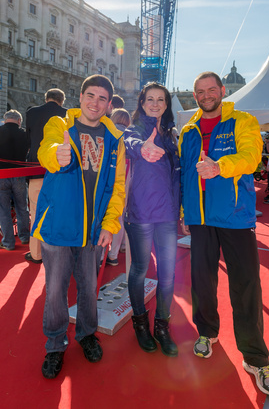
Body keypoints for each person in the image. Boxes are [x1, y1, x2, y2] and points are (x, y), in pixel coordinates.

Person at [178, 71, 269, 396]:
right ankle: (207, 332)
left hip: (235, 217)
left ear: (221, 90)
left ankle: (256, 358)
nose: (206, 95)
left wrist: (220, 166)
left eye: (211, 89)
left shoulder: (243, 121)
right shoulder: (188, 131)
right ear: (195, 96)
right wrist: (184, 212)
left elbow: (252, 158)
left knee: (246, 285)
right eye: (200, 91)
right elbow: (184, 176)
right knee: (202, 281)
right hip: (200, 220)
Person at [31, 75, 125, 379]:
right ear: (80, 96)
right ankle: (55, 345)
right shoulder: (60, 125)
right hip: (59, 225)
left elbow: (118, 187)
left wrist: (110, 225)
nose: (95, 102)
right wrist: (56, 154)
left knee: (88, 288)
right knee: (56, 290)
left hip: (92, 230)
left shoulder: (115, 140)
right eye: (90, 95)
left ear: (109, 105)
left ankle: (86, 334)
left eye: (102, 98)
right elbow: (47, 150)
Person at [124, 82, 180, 357]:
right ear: (142, 103)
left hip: (167, 215)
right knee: (140, 268)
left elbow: (177, 177)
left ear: (166, 104)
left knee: (168, 275)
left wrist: (181, 212)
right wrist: (141, 147)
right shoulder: (135, 130)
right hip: (141, 214)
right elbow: (129, 142)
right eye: (150, 99)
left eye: (161, 99)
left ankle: (162, 325)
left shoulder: (172, 135)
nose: (155, 104)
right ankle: (140, 323)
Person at [25, 88, 67, 263]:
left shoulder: (32, 113)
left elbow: (29, 139)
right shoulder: (68, 115)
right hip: (61, 170)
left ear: (46, 98)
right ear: (62, 100)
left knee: (36, 212)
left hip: (36, 168)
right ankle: (60, 255)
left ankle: (36, 254)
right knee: (62, 212)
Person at [0, 110, 30, 250]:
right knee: (22, 207)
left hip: (0, 175)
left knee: (3, 209)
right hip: (19, 174)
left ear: (5, 119)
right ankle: (25, 237)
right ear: (19, 121)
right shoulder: (25, 134)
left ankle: (8, 242)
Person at [106, 108, 131, 265]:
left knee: (106, 215)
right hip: (128, 179)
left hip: (110, 178)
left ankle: (102, 255)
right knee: (121, 216)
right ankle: (114, 254)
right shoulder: (132, 135)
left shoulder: (109, 133)